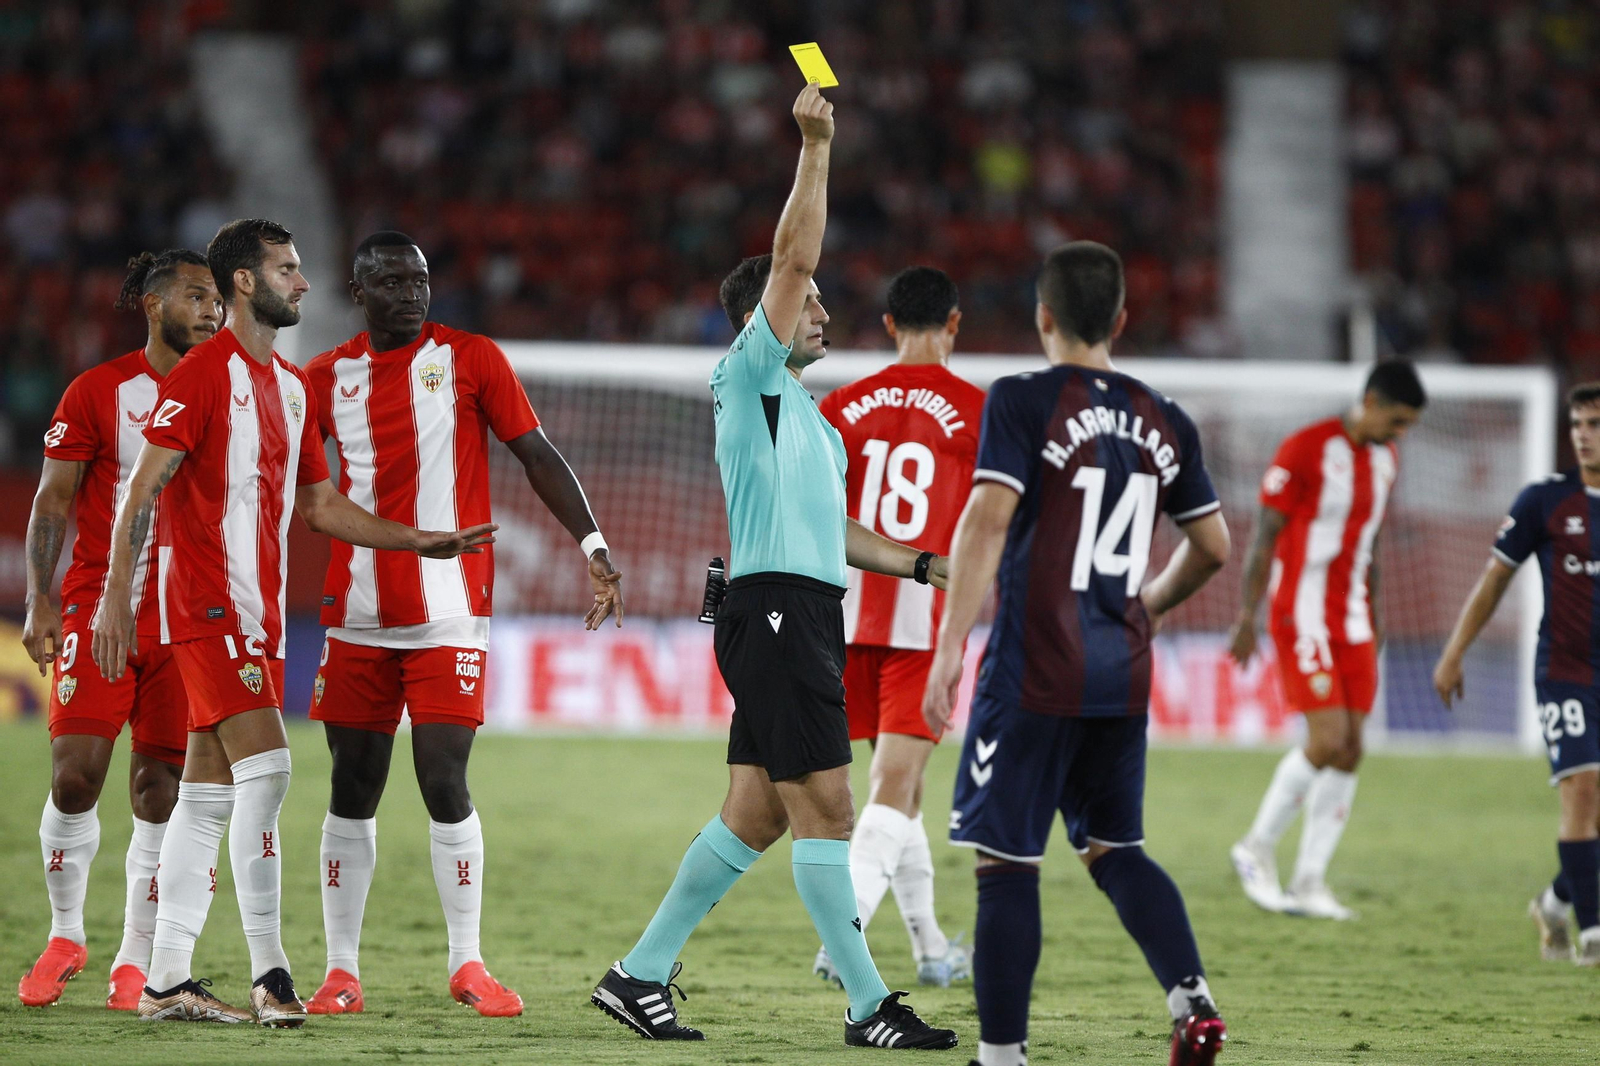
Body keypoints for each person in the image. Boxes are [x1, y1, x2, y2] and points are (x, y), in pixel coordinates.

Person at [590, 83, 957, 1051]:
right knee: (830, 809)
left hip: (799, 611)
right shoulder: (746, 377)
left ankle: (637, 975)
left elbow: (836, 532)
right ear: (764, 317)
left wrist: (924, 564)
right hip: (776, 614)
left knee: (753, 816)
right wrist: (815, 146)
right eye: (811, 305)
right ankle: (870, 1005)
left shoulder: (816, 421)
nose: (823, 312)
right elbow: (794, 255)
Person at [90, 218, 494, 1026]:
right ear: (246, 282)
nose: (304, 284)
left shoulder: (290, 388)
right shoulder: (203, 376)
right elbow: (143, 488)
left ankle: (166, 976)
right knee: (269, 774)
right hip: (204, 608)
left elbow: (318, 505)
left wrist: (420, 540)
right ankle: (272, 973)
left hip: (260, 615)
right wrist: (112, 599)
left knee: (206, 796)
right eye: (288, 269)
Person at [924, 241, 1232, 1066]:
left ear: (1043, 317)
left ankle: (1001, 1057)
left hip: (1033, 669)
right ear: (1122, 320)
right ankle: (1192, 1002)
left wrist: (950, 647)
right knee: (1114, 848)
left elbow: (987, 521)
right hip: (1121, 671)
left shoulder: (1022, 400)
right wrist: (1150, 607)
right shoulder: (1167, 416)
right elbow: (1213, 544)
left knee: (1005, 865)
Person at [301, 232, 623, 1018]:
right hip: (358, 614)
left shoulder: (473, 358)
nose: (411, 292)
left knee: (445, 777)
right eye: (391, 280)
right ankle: (341, 970)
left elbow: (536, 453)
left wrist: (594, 544)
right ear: (359, 290)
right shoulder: (321, 379)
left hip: (451, 611)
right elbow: (306, 493)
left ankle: (467, 963)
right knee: (352, 785)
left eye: (419, 278)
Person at [18, 250, 222, 1010]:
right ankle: (66, 932)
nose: (211, 311)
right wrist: (40, 597)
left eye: (217, 300)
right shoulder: (98, 391)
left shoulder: (229, 394)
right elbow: (52, 499)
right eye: (196, 297)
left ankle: (133, 960)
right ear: (152, 303)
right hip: (100, 609)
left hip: (188, 622)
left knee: (158, 791)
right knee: (75, 774)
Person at [813, 266, 983, 988]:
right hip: (925, 617)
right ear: (954, 322)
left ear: (887, 325)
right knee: (894, 783)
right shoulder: (978, 411)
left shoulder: (842, 405)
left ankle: (931, 948)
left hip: (841, 613)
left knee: (903, 792)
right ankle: (840, 938)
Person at [1226, 361, 1426, 919]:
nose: (1400, 432)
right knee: (1327, 738)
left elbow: (1372, 542)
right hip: (1302, 615)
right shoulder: (1305, 448)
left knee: (1353, 747)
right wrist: (1247, 615)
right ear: (1370, 400)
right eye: (1397, 419)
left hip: (1354, 620)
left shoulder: (1386, 460)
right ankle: (1255, 846)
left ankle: (1310, 880)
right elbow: (1263, 538)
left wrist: (1377, 613)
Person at [1433, 382, 1600, 967]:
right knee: (1583, 793)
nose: (1583, 435)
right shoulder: (1545, 501)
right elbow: (1495, 581)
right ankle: (1594, 935)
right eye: (1577, 424)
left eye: (1594, 424)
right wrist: (1454, 652)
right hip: (1566, 671)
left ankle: (1554, 905)